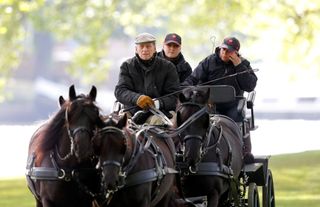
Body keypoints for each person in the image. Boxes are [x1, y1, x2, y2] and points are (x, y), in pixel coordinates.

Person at [183, 36, 258, 163]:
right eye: (223, 49)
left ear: (236, 52)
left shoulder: (243, 64)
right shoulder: (209, 61)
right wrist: (188, 90)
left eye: (229, 51)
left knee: (238, 118)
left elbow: (250, 86)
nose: (224, 53)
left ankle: (244, 152)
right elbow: (192, 79)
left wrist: (238, 66)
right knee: (195, 119)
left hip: (233, 104)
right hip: (209, 104)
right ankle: (191, 149)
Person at [114, 32, 179, 125]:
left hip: (160, 114)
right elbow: (120, 91)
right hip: (131, 113)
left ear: (155, 48)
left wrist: (157, 103)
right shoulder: (127, 66)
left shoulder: (168, 67)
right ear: (136, 49)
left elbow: (174, 96)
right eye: (141, 46)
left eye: (148, 46)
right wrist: (137, 98)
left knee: (159, 126)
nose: (145, 49)